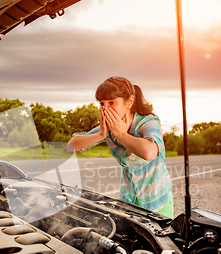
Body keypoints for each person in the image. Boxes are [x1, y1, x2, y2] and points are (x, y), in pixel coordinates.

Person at [67, 76, 173, 218]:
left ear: (129, 102)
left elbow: (150, 152)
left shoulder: (148, 122)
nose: (106, 109)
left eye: (112, 102)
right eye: (102, 104)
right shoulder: (108, 127)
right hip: (128, 200)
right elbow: (71, 146)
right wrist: (100, 135)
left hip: (157, 201)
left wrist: (122, 134)